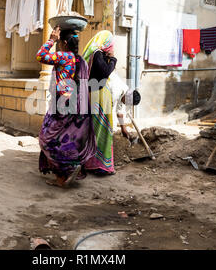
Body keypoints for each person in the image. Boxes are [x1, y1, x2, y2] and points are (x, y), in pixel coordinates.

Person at [37, 26, 97, 188]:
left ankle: (67, 169)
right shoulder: (81, 61)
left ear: (64, 42)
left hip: (61, 106)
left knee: (46, 139)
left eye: (59, 42)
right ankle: (63, 176)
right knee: (66, 140)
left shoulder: (65, 57)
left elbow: (40, 56)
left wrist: (51, 39)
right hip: (78, 108)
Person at [82, 30, 118, 175]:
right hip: (98, 96)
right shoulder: (96, 54)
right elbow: (104, 72)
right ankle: (99, 166)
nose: (111, 46)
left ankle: (94, 163)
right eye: (110, 42)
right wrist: (113, 59)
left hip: (97, 94)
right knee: (100, 130)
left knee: (96, 129)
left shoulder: (96, 54)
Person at [108, 72, 142, 139]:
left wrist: (123, 129)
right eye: (128, 103)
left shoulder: (125, 92)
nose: (126, 104)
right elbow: (107, 111)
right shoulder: (116, 93)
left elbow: (119, 112)